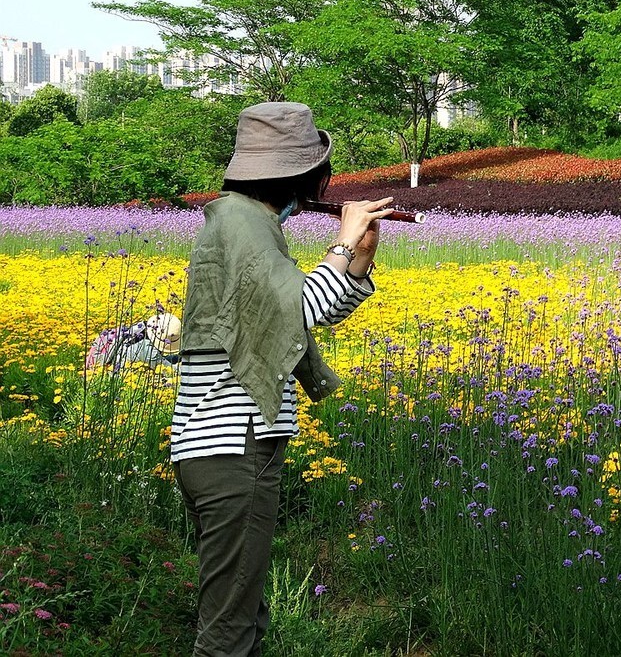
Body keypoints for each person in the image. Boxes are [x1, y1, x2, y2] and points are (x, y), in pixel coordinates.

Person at [170, 102, 394, 656]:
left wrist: (358, 260)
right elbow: (302, 307)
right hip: (233, 449)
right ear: (300, 174)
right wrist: (341, 245)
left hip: (216, 448)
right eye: (322, 172)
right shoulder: (245, 225)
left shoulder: (242, 221)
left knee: (242, 615)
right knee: (227, 631)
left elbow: (298, 314)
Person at [85, 312, 182, 372]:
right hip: (119, 383)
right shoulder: (147, 350)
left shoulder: (137, 334)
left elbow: (161, 359)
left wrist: (180, 357)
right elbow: (170, 371)